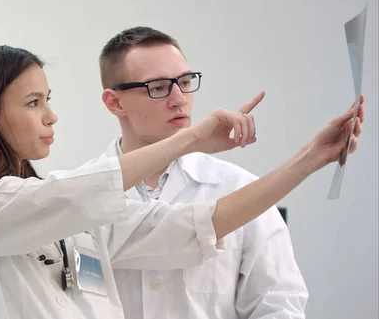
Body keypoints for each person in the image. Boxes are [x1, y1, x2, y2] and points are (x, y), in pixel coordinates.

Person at [0, 45, 363, 319]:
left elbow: (190, 227)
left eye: (48, 100)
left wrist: (311, 158)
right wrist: (190, 139)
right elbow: (61, 199)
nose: (52, 116)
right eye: (33, 103)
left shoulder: (74, 212)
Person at [90, 26, 366, 319]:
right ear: (114, 102)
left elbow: (279, 304)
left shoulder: (240, 188)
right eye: (157, 88)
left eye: (185, 82)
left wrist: (312, 156)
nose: (179, 99)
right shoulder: (78, 197)